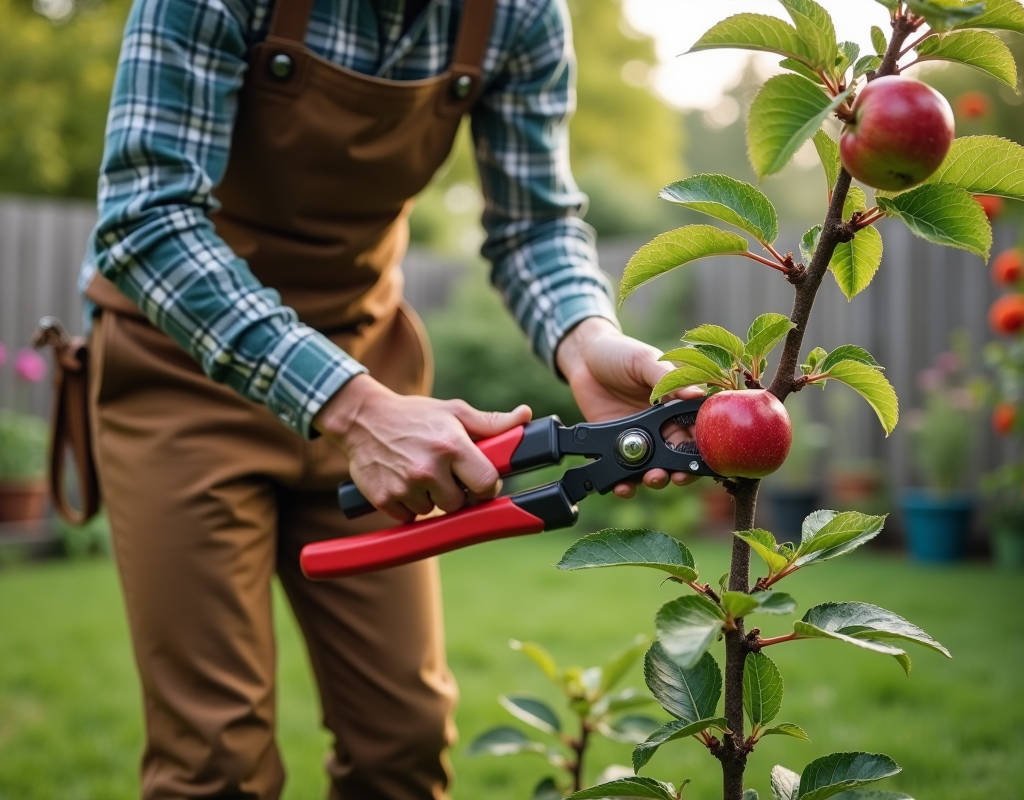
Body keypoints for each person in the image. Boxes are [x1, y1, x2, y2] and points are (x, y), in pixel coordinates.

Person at [75, 0, 692, 797]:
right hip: (181, 376)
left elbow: (534, 223)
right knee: (213, 759)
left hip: (374, 375)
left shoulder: (520, 15)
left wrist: (586, 339)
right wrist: (353, 406)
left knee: (401, 739)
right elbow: (144, 219)